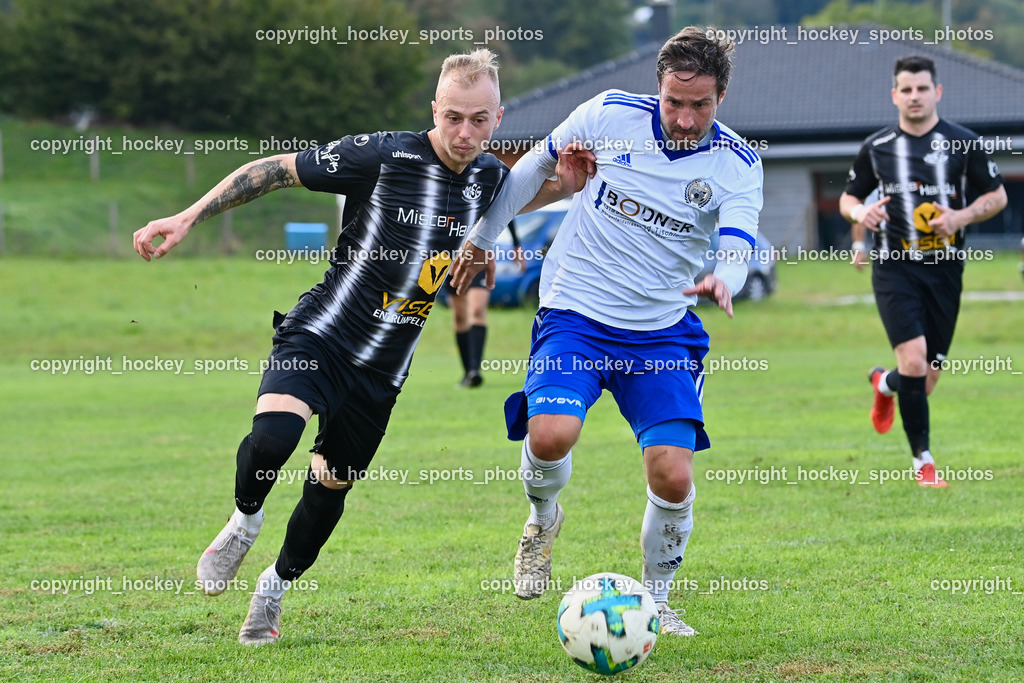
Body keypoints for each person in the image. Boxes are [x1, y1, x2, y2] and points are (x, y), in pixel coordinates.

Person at [132, 49, 582, 645]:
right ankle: (244, 522)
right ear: (434, 110)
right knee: (272, 438)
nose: (464, 132)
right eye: (452, 117)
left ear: (497, 118)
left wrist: (569, 182)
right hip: (322, 332)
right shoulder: (385, 154)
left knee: (330, 485)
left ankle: (274, 587)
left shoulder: (493, 179)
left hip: (384, 370)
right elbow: (277, 169)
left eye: (478, 120)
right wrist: (189, 216)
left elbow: (536, 194)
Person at [451, 27, 762, 636]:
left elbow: (739, 238)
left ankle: (658, 599)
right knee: (551, 435)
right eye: (674, 101)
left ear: (721, 96)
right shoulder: (607, 114)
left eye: (699, 105)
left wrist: (727, 277)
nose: (684, 117)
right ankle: (542, 521)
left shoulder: (736, 163)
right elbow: (532, 167)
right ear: (659, 88)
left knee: (672, 473)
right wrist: (483, 237)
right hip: (577, 313)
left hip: (662, 331)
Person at [840, 55, 1007, 487]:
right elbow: (848, 198)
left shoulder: (964, 143)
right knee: (913, 358)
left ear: (937, 92)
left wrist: (960, 218)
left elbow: (997, 195)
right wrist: (862, 213)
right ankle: (924, 463)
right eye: (906, 89)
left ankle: (884, 384)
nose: (915, 96)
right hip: (894, 268)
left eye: (922, 88)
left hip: (946, 272)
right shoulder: (877, 147)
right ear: (895, 95)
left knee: (925, 378)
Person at [445, 222, 524, 387]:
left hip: (478, 252)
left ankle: (475, 371)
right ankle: (468, 373)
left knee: (477, 310)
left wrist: (516, 246)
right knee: (460, 317)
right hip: (450, 255)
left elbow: (506, 206)